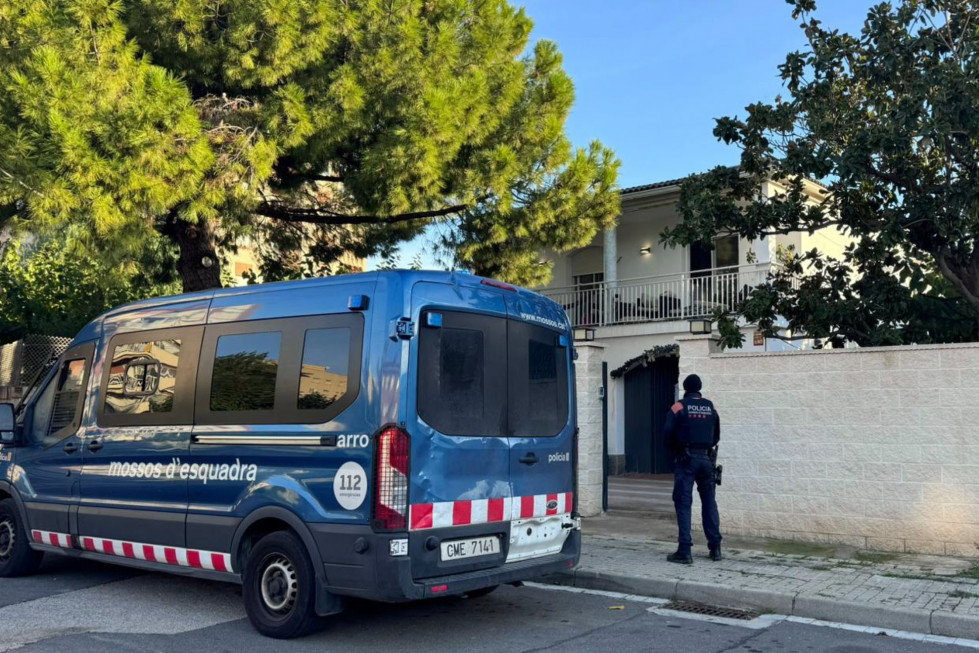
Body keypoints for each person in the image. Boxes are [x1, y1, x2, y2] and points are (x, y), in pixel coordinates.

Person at [663, 373, 722, 564]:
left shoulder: (678, 406)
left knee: (683, 503)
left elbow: (667, 434)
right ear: (699, 388)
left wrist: (676, 452)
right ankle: (715, 548)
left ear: (685, 388)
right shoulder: (710, 406)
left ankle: (684, 550)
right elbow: (716, 436)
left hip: (686, 459)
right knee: (709, 502)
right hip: (706, 458)